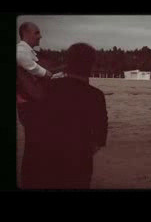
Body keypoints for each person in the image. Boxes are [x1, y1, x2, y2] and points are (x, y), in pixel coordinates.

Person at [21, 43, 108, 189]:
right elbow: (99, 138)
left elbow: (27, 119)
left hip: (40, 164)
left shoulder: (44, 89)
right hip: (76, 166)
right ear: (92, 65)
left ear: (67, 63)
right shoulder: (95, 96)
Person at [16, 22, 53, 126]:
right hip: (29, 106)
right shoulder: (20, 52)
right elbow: (41, 73)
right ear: (26, 34)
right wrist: (45, 73)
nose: (40, 36)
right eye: (36, 33)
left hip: (32, 104)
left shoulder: (28, 52)